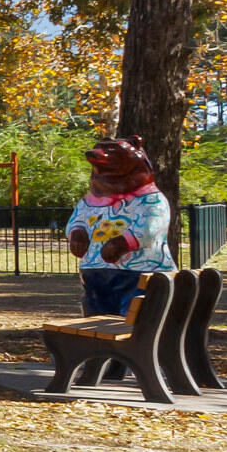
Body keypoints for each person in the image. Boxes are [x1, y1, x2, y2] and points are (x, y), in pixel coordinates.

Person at [65, 135, 173, 316]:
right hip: (94, 273)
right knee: (96, 320)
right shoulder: (89, 201)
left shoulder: (151, 200)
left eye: (111, 152)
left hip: (139, 273)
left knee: (134, 318)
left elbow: (151, 228)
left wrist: (123, 243)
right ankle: (100, 344)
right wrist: (77, 233)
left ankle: (132, 343)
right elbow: (76, 220)